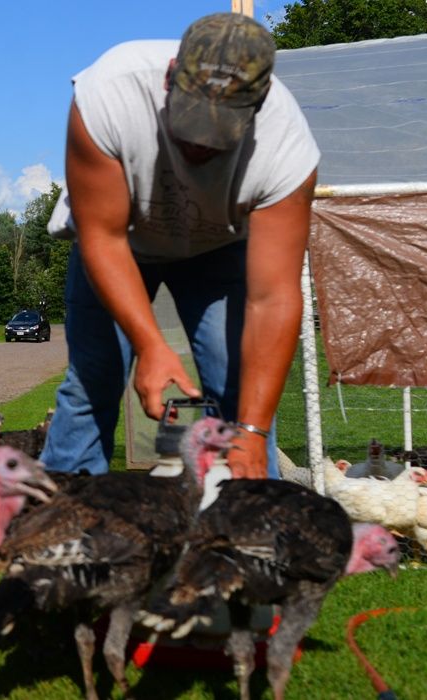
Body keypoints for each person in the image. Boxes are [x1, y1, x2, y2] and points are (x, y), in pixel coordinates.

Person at [39, 12, 319, 480]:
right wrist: (151, 344)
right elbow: (102, 238)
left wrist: (250, 430)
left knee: (241, 392)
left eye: (219, 134)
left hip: (219, 252)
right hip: (119, 244)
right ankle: (56, 534)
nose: (199, 146)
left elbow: (274, 298)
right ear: (170, 77)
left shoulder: (287, 148)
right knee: (93, 385)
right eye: (191, 122)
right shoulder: (109, 93)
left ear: (258, 103)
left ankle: (250, 535)